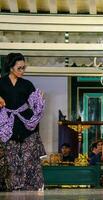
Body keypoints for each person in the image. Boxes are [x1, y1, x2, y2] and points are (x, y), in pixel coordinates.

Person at [0, 53, 46, 191]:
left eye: (23, 68)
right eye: (19, 68)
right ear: (10, 67)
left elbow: (36, 104)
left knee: (29, 158)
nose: (22, 71)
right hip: (8, 125)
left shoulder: (27, 84)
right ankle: (15, 186)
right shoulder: (1, 83)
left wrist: (39, 99)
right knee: (11, 158)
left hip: (27, 124)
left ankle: (30, 186)